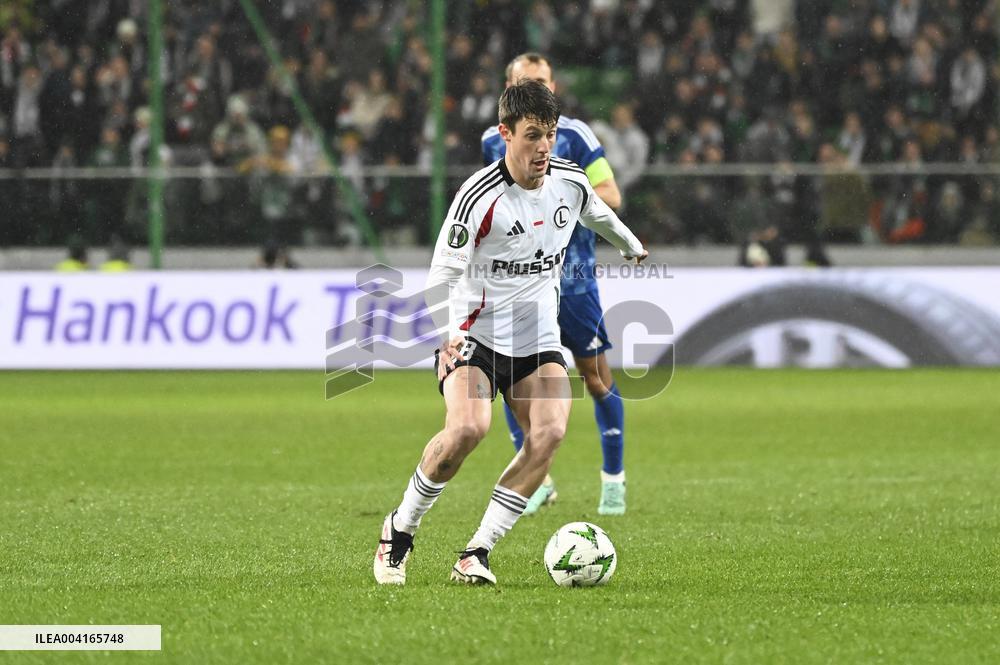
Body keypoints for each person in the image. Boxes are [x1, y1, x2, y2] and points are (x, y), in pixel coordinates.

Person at [374, 79, 646, 586]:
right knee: (467, 430)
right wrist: (447, 333)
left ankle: (475, 552)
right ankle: (400, 530)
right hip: (474, 338)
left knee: (549, 435)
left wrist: (630, 244)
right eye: (531, 136)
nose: (543, 147)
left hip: (538, 340)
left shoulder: (569, 181)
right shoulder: (478, 198)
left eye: (550, 134)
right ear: (505, 133)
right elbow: (441, 274)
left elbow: (597, 211)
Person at [481, 53, 629, 516]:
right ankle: (537, 481)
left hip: (573, 280)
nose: (536, 90)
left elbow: (611, 195)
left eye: (542, 82)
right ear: (508, 90)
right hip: (519, 286)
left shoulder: (576, 135)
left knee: (596, 379)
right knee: (513, 381)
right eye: (526, 83)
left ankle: (613, 482)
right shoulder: (491, 140)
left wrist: (563, 190)